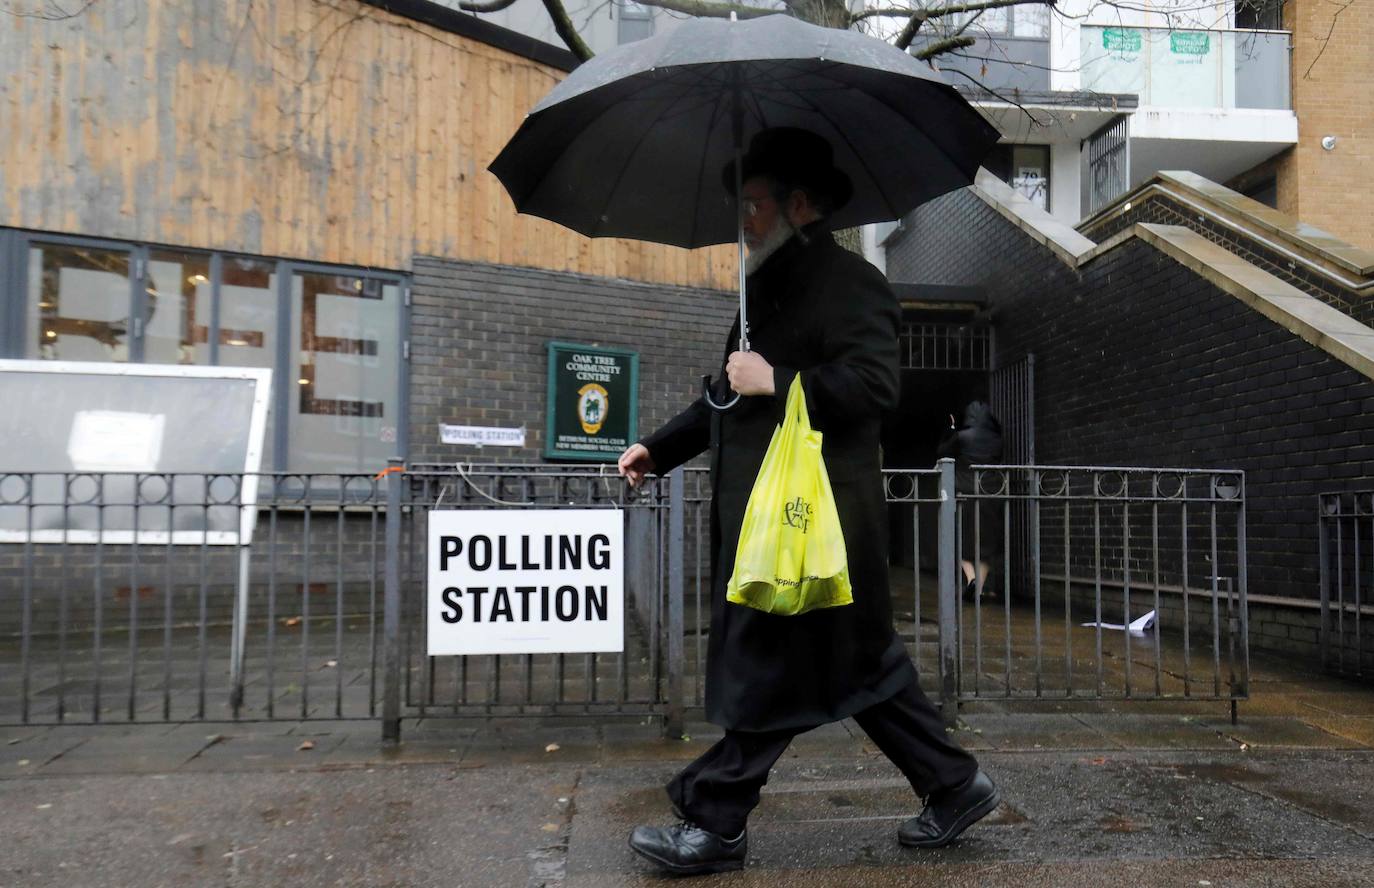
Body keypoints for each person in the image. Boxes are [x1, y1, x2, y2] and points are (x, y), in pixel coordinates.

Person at [616, 127, 998, 877]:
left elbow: (875, 390)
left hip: (816, 526)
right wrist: (658, 450)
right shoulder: (759, 292)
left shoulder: (855, 285)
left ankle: (718, 819)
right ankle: (955, 785)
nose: (742, 223)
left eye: (752, 207)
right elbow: (726, 397)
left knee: (774, 668)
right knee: (861, 674)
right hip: (773, 523)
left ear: (798, 205)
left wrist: (781, 381)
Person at [937, 399, 1005, 597]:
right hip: (990, 492)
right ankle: (979, 588)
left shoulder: (961, 436)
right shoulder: (997, 439)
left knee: (959, 538)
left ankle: (972, 580)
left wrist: (950, 429)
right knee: (986, 544)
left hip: (963, 491)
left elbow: (942, 452)